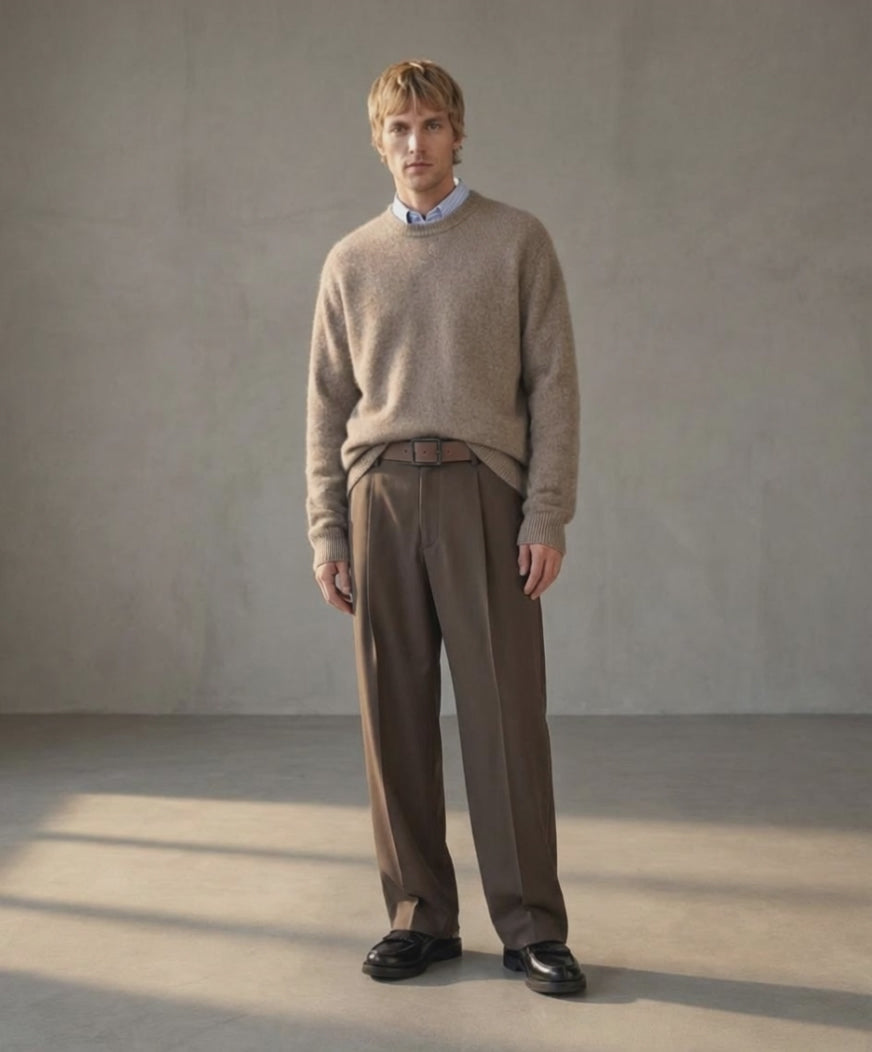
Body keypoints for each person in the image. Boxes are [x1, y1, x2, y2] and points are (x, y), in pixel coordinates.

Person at [305, 59, 584, 997]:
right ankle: (419, 915)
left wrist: (545, 510)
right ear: (377, 142)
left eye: (431, 125)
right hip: (380, 494)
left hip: (484, 491)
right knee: (394, 715)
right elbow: (325, 405)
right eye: (398, 128)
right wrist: (328, 531)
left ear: (458, 133)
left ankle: (532, 925)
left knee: (506, 716)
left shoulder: (516, 241)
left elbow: (554, 385)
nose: (415, 143)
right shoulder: (351, 260)